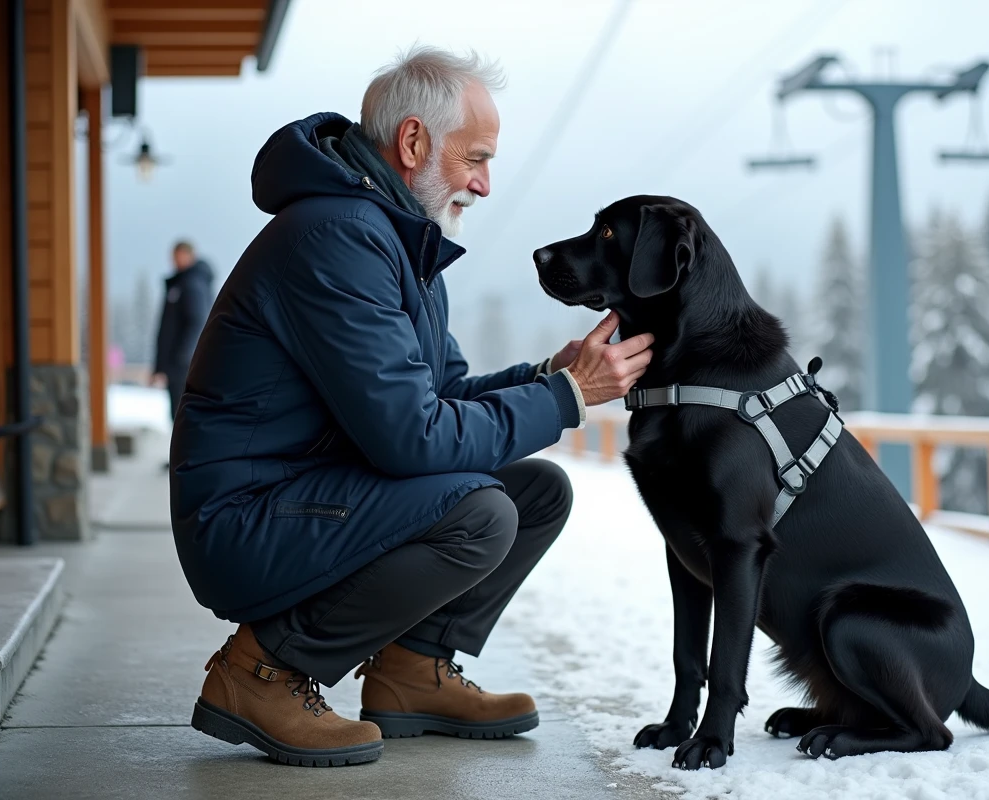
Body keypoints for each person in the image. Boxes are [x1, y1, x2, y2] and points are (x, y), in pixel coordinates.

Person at [169, 45, 655, 767]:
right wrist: (568, 397)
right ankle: (259, 672)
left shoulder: (395, 240)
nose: (486, 185)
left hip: (304, 494)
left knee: (535, 491)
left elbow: (442, 396)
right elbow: (411, 438)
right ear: (414, 142)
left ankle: (410, 671)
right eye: (477, 159)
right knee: (478, 514)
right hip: (245, 519)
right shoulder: (338, 238)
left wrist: (547, 376)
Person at [151, 240, 214, 424]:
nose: (174, 260)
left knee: (184, 415)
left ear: (189, 255)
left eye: (178, 255)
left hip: (184, 364)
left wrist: (183, 357)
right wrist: (160, 365)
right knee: (178, 415)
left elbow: (196, 321)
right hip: (177, 363)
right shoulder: (179, 283)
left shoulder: (192, 284)